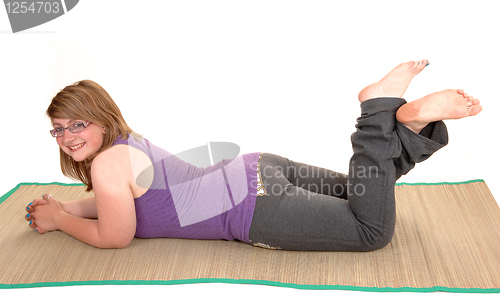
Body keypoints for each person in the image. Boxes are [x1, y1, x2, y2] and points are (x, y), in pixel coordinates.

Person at [25, 60, 482, 250]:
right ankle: (410, 122)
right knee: (362, 191)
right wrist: (66, 205)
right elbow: (114, 203)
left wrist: (60, 221)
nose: (67, 136)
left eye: (77, 125)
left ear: (101, 121)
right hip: (259, 168)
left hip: (254, 208)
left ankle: (375, 114)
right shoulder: (125, 144)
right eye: (59, 129)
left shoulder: (105, 164)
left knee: (371, 230)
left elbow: (115, 235)